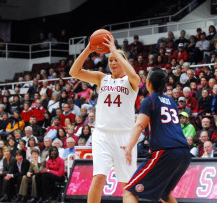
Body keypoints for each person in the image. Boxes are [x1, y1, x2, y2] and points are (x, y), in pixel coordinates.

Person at [69, 34, 141, 203]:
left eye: (116, 60)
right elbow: (74, 71)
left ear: (124, 62)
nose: (113, 63)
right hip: (102, 135)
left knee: (128, 186)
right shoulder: (102, 78)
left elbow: (134, 75)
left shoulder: (131, 81)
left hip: (125, 138)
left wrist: (114, 50)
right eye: (110, 60)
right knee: (99, 177)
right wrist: (89, 48)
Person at [122, 68, 191, 203]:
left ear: (148, 83)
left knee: (129, 191)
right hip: (184, 153)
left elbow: (140, 125)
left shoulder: (149, 101)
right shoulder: (171, 102)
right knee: (165, 193)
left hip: (165, 151)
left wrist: (129, 147)